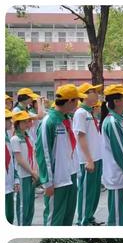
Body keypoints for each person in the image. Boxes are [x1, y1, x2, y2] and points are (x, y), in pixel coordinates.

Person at [35, 84, 84, 225]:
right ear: (70, 101)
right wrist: (47, 182)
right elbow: (43, 153)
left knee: (68, 218)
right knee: (54, 219)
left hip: (71, 175)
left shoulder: (67, 118)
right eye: (76, 101)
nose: (77, 104)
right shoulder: (48, 122)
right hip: (57, 180)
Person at [100, 84, 123, 226]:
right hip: (118, 174)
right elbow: (119, 150)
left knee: (122, 215)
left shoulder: (120, 120)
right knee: (116, 219)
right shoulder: (112, 122)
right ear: (116, 101)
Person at [73, 83, 104, 226]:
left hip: (96, 158)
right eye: (94, 92)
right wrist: (89, 159)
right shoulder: (80, 113)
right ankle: (83, 221)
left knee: (94, 191)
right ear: (85, 95)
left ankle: (90, 216)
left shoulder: (89, 113)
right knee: (86, 191)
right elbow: (81, 136)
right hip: (88, 160)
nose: (97, 94)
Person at [10, 111, 39, 226]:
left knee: (30, 204)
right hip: (22, 175)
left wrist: (35, 171)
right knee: (23, 204)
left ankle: (28, 224)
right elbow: (19, 159)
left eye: (28, 120)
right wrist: (32, 172)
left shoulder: (29, 137)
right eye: (25, 121)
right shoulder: (15, 139)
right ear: (18, 123)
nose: (28, 123)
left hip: (31, 174)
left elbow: (33, 154)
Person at [5, 109, 19, 224]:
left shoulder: (7, 137)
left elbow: (11, 161)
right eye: (8, 119)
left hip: (8, 185)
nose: (11, 122)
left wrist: (15, 179)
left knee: (9, 216)